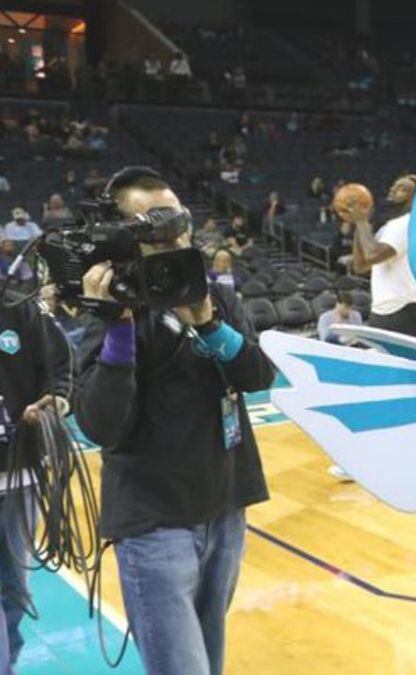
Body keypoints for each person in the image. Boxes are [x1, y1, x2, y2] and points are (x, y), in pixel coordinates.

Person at [74, 168, 274, 675]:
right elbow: (100, 426)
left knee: (210, 661)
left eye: (178, 222)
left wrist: (208, 322)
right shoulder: (113, 313)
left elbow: (257, 376)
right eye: (155, 227)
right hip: (155, 522)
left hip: (225, 507)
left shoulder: (214, 296)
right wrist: (118, 329)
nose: (174, 236)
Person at [0, 294, 71, 671]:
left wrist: (55, 400)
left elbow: (61, 367)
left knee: (15, 589)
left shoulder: (22, 309)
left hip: (19, 478)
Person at [344, 177, 416, 338]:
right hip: (381, 310)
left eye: (402, 188)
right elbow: (360, 266)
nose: (393, 189)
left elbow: (373, 255)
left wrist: (362, 221)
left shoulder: (408, 223)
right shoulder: (388, 227)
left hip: (406, 308)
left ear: (415, 198)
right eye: (393, 185)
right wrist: (359, 223)